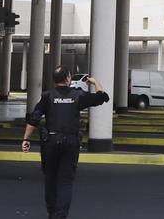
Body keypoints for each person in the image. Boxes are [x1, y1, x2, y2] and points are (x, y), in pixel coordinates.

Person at [22, 66, 109, 219]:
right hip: (70, 142)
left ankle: (51, 213)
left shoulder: (47, 96)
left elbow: (34, 119)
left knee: (50, 179)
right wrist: (95, 82)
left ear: (54, 80)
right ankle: (60, 216)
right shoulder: (78, 95)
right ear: (68, 78)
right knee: (65, 181)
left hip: (50, 142)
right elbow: (102, 98)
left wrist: (26, 139)